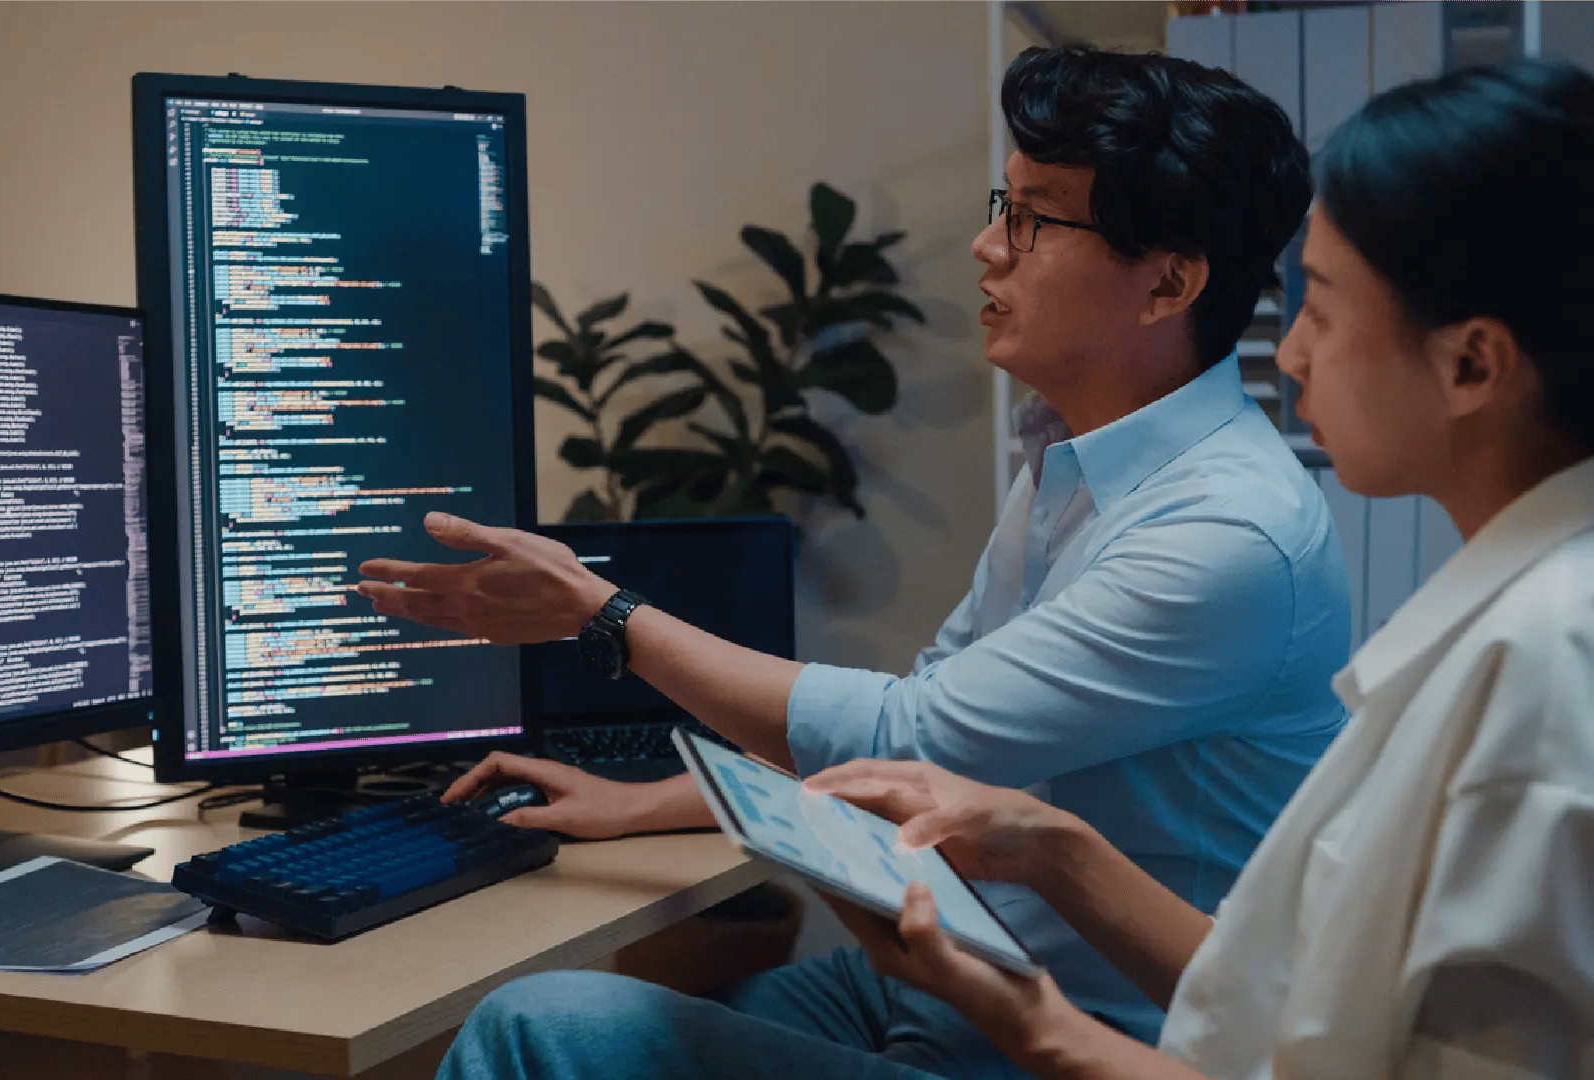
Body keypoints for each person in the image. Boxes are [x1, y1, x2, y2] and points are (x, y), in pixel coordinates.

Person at [434, 58, 1594, 1079]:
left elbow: (911, 734)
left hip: (1075, 1027)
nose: (1289, 354)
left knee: (543, 1026)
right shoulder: (1072, 460)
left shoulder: (1251, 546)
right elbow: (942, 744)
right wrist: (656, 802)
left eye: (1035, 219)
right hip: (968, 987)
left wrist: (604, 615)